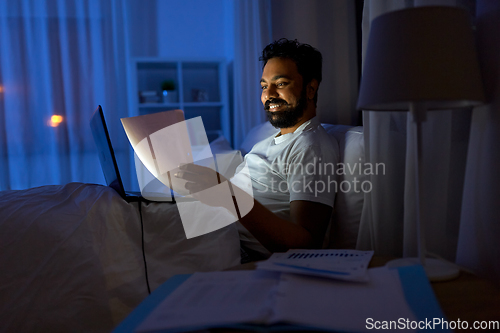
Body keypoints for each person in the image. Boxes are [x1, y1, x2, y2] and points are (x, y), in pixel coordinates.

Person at [176, 39, 339, 259]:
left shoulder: (310, 146)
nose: (268, 94)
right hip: (205, 226)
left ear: (310, 89)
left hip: (226, 246)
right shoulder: (267, 141)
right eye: (264, 86)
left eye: (280, 83)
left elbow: (306, 245)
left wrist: (225, 192)